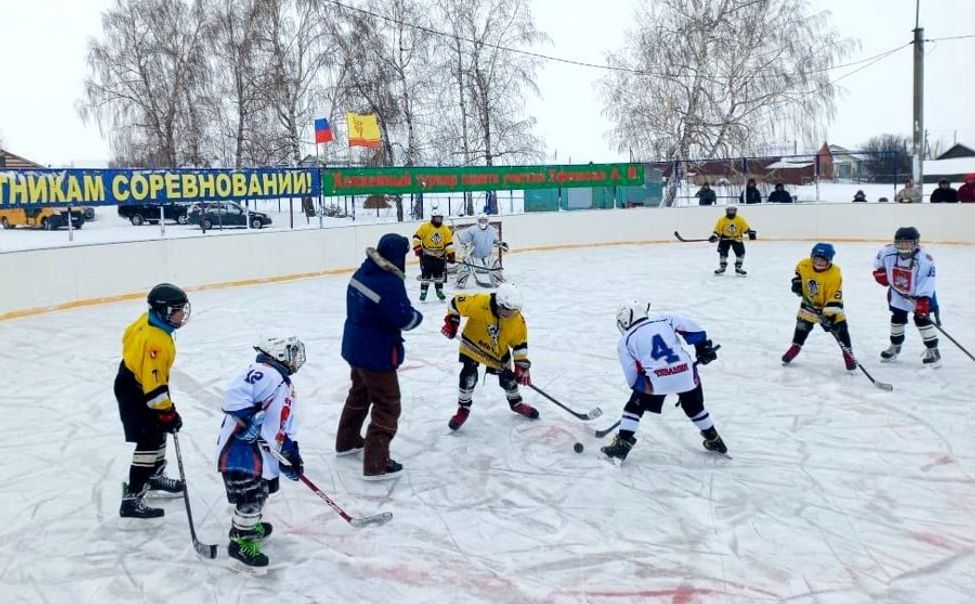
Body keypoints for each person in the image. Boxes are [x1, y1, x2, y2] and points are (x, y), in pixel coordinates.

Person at [216, 335, 306, 574]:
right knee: (251, 496)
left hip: (260, 451)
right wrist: (248, 419)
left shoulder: (283, 383)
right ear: (277, 354)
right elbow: (234, 395)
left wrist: (290, 453)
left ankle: (246, 526)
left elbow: (284, 422)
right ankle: (240, 543)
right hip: (240, 451)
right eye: (291, 353)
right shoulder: (264, 371)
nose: (296, 359)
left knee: (262, 491)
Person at [337, 234, 423, 480]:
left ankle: (347, 440)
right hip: (377, 351)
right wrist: (418, 317)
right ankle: (376, 463)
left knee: (360, 392)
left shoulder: (363, 271)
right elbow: (404, 319)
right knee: (387, 403)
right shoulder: (388, 282)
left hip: (354, 345)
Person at [601, 301, 725, 464]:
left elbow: (632, 377)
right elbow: (695, 329)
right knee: (694, 408)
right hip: (686, 374)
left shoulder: (625, 341)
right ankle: (714, 439)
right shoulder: (665, 318)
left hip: (656, 380)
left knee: (634, 408)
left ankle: (623, 443)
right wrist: (702, 348)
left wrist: (643, 395)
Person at [115, 283, 190, 521]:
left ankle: (154, 476)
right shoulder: (156, 342)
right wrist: (168, 412)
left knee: (158, 431)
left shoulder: (146, 320)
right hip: (136, 391)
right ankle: (132, 498)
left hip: (132, 380)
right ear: (163, 311)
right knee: (148, 440)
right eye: (176, 310)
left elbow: (127, 337)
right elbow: (154, 390)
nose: (181, 314)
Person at [441, 283, 539, 431]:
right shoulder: (480, 303)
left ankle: (516, 404)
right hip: (473, 345)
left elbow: (520, 344)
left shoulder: (517, 320)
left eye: (514, 311)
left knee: (509, 380)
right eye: (507, 311)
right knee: (469, 375)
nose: (511, 315)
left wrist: (521, 365)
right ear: (499, 304)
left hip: (498, 352)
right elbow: (454, 303)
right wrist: (452, 323)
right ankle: (463, 408)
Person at [781, 243, 857, 371]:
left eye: (823, 260)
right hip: (809, 305)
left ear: (830, 260)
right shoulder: (804, 264)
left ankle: (848, 354)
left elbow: (834, 296)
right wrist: (797, 282)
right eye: (816, 258)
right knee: (802, 327)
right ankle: (795, 347)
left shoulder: (835, 273)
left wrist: (829, 318)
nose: (819, 262)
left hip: (831, 308)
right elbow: (799, 272)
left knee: (841, 330)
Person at [872, 227, 941, 367]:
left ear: (916, 243)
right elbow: (879, 266)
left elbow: (927, 281)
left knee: (922, 320)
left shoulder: (924, 259)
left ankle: (933, 350)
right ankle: (895, 347)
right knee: (897, 318)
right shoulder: (886, 252)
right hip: (898, 294)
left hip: (918, 295)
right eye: (900, 242)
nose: (903, 245)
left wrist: (922, 301)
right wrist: (880, 273)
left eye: (907, 242)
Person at [412, 204, 455, 301]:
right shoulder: (425, 227)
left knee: (438, 274)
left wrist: (451, 254)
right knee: (425, 274)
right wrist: (418, 248)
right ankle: (423, 292)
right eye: (436, 218)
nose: (438, 220)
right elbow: (416, 237)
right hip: (427, 255)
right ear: (432, 218)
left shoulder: (445, 229)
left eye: (440, 218)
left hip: (440, 255)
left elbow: (449, 243)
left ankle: (439, 291)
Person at [454, 213, 509, 287]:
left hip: (487, 253)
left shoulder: (492, 230)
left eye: (484, 220)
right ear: (477, 221)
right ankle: (460, 282)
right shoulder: (472, 230)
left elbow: (496, 240)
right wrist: (465, 244)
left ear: (487, 221)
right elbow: (464, 240)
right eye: (481, 220)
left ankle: (498, 280)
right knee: (465, 266)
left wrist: (501, 244)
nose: (483, 222)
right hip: (473, 254)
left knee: (495, 266)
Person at [708, 206, 756, 275]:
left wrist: (750, 232)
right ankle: (722, 267)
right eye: (729, 210)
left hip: (737, 238)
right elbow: (717, 230)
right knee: (722, 252)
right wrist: (714, 236)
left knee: (741, 252)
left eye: (733, 210)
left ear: (735, 211)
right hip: (725, 238)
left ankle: (738, 267)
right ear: (726, 211)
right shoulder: (722, 220)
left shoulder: (740, 219)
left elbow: (745, 229)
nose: (731, 212)